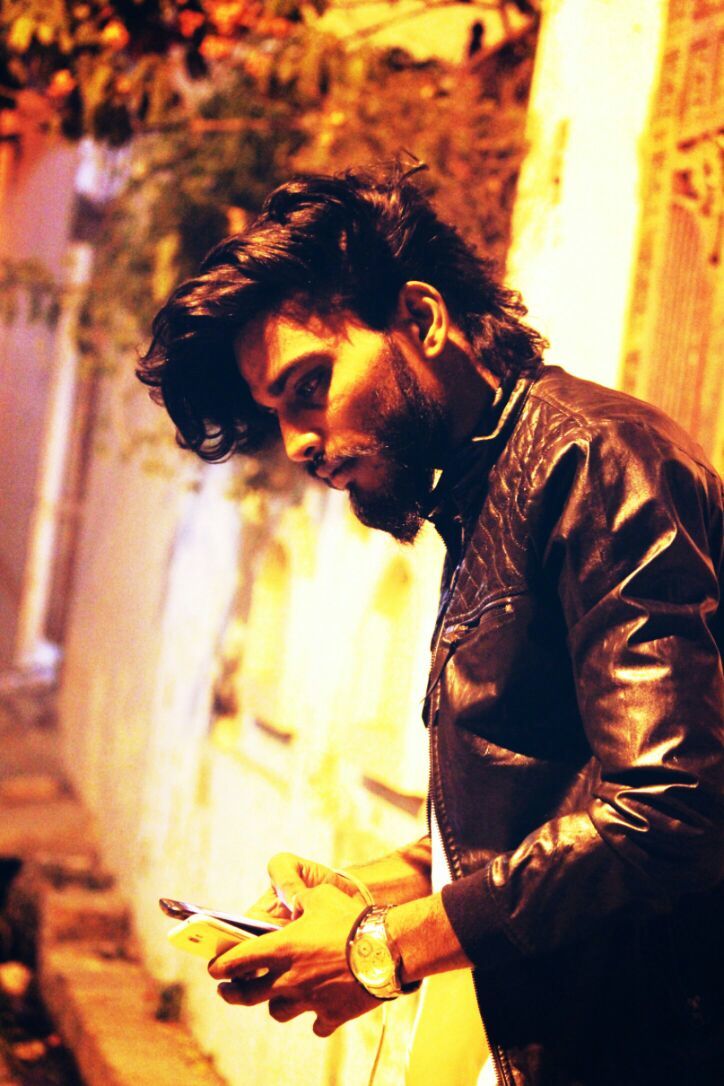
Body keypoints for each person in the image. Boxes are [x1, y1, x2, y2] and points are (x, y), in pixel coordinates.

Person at [138, 164, 724, 1086]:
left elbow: (671, 809)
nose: (297, 442)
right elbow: (550, 802)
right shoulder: (484, 487)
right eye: (276, 414)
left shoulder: (596, 461)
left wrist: (385, 950)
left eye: (310, 384)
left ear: (421, 318)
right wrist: (376, 890)